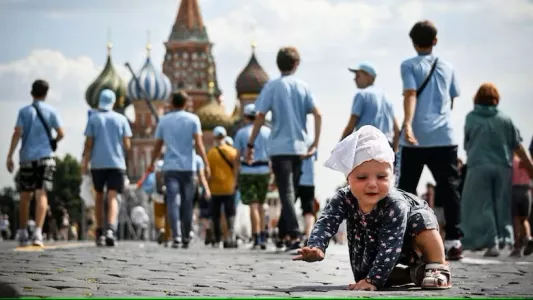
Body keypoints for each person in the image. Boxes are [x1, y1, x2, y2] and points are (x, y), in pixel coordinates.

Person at [294, 125, 450, 291]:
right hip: (373, 244)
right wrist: (317, 246)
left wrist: (374, 281)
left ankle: (437, 266)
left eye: (382, 177)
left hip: (406, 238)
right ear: (348, 179)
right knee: (365, 275)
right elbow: (327, 221)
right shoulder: (343, 198)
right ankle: (415, 273)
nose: (372, 184)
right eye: (362, 177)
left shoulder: (395, 203)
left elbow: (391, 245)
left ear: (391, 177)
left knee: (422, 219)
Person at [397, 20, 462, 260]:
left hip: (415, 138)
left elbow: (411, 93)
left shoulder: (408, 65)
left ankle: (406, 240)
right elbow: (451, 99)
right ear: (435, 41)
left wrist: (407, 123)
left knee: (405, 191)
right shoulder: (447, 67)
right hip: (444, 137)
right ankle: (454, 240)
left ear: (413, 42)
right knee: (450, 189)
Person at [246, 46, 322, 250]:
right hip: (300, 148)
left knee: (287, 192)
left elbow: (260, 116)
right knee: (291, 190)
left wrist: (251, 143)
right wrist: (315, 142)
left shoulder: (272, 86)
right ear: (296, 65)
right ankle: (292, 233)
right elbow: (318, 114)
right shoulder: (303, 86)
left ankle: (289, 233)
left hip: (279, 147)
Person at [461, 83, 533, 257]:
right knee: (501, 205)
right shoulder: (505, 119)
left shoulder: (471, 117)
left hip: (478, 166)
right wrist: (530, 166)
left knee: (483, 205)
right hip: (502, 167)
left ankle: (491, 242)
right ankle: (505, 240)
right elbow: (517, 144)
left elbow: (466, 143)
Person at [6, 79, 64, 247]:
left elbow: (17, 133)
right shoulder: (51, 111)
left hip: (27, 158)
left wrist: (10, 155)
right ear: (46, 94)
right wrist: (53, 141)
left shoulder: (24, 111)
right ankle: (38, 232)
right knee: (42, 193)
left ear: (32, 93)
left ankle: (23, 231)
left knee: (25, 195)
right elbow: (61, 133)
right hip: (46, 157)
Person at [149, 90, 210, 249]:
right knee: (187, 203)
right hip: (188, 168)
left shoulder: (164, 120)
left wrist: (151, 163)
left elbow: (158, 145)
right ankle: (186, 235)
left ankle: (175, 236)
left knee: (173, 202)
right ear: (185, 103)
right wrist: (205, 162)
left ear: (171, 103)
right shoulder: (193, 119)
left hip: (170, 168)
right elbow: (199, 144)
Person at [81, 89, 132, 247]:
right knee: (112, 196)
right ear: (114, 102)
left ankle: (100, 231)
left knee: (98, 196)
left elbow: (88, 144)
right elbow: (127, 145)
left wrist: (84, 163)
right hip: (117, 163)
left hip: (98, 164)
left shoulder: (93, 118)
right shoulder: (121, 119)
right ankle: (111, 229)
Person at [233, 104, 271, 249]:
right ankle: (262, 235)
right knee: (261, 205)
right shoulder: (268, 132)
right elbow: (272, 154)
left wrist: (237, 175)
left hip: (247, 171)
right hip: (264, 170)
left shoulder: (241, 133)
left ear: (245, 116)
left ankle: (256, 237)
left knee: (253, 206)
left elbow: (237, 157)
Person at [340, 63, 400, 151]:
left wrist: (340, 147)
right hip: (386, 147)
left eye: (358, 75)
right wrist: (394, 151)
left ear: (368, 77)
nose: (354, 79)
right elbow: (396, 129)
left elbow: (350, 126)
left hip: (368, 147)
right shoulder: (386, 98)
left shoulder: (362, 95)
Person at [207, 126, 238, 248]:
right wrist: (236, 182)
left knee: (216, 215)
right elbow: (236, 169)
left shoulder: (211, 153)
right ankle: (230, 235)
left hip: (215, 189)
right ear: (225, 137)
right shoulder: (232, 152)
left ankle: (218, 238)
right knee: (230, 213)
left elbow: (208, 173)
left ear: (214, 138)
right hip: (229, 187)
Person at [511, 154, 533, 257]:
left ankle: (517, 248)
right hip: (527, 191)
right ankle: (528, 238)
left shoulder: (510, 160)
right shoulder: (528, 160)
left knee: (515, 221)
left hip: (514, 190)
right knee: (524, 219)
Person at [297, 136, 318, 245]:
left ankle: (290, 235)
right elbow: (315, 157)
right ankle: (308, 234)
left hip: (295, 179)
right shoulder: (312, 141)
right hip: (309, 181)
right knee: (308, 211)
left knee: (287, 206)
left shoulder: (295, 140)